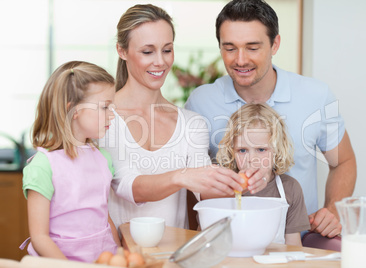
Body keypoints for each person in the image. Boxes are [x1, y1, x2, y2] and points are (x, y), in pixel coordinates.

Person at [185, 0, 357, 238]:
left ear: (275, 44)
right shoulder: (200, 101)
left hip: (298, 238)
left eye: (252, 47)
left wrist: (333, 209)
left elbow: (344, 161)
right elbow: (190, 182)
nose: (241, 60)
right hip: (227, 238)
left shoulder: (316, 96)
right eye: (230, 48)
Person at [99, 4, 266, 232]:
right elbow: (128, 187)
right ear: (122, 51)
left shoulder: (191, 123)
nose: (160, 61)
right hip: (116, 256)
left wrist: (243, 180)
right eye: (148, 52)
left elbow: (204, 191)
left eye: (167, 50)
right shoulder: (102, 118)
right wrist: (182, 176)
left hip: (174, 258)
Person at [19, 61, 120, 262]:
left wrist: (120, 253)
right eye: (105, 107)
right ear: (74, 110)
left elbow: (103, 218)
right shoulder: (43, 166)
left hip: (101, 260)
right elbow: (40, 237)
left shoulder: (103, 158)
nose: (112, 115)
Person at [217, 103, 310, 246]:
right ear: (231, 151)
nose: (251, 159)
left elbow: (293, 247)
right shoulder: (223, 187)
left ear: (277, 150)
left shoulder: (290, 189)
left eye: (261, 150)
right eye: (242, 150)